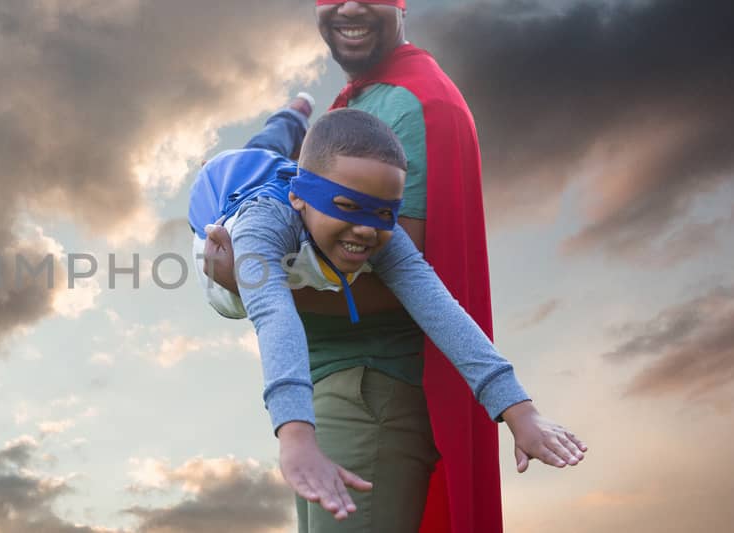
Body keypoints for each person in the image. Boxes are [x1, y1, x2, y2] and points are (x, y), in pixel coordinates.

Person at [192, 99, 585, 532]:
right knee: (270, 139)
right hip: (232, 188)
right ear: (301, 198)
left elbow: (437, 305)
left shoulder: (380, 231)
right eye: (345, 205)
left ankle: (294, 117)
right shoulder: (264, 227)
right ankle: (293, 115)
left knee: (275, 150)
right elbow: (273, 315)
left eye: (384, 212)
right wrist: (296, 433)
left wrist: (518, 409)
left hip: (277, 186)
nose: (366, 228)